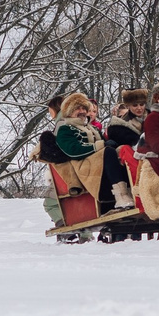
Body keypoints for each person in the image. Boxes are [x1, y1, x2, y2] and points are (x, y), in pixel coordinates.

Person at [40, 92, 103, 234]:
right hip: (87, 166)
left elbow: (69, 150)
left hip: (71, 170)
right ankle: (77, 230)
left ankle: (70, 230)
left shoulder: (63, 125)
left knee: (50, 202)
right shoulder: (89, 126)